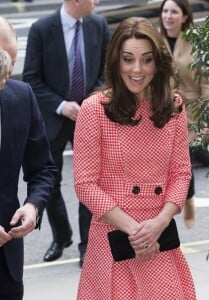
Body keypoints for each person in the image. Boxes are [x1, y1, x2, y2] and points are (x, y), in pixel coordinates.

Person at [73, 16, 196, 299]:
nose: (137, 69)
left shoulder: (173, 105)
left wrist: (158, 223)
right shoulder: (94, 109)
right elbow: (85, 184)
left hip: (159, 235)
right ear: (116, 61)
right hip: (113, 236)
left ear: (158, 62)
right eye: (128, 59)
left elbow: (181, 173)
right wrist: (136, 232)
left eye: (146, 59)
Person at [23, 0, 110, 267]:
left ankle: (87, 245)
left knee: (89, 182)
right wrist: (61, 106)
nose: (97, 1)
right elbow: (31, 78)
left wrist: (89, 102)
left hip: (89, 114)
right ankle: (62, 236)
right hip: (53, 118)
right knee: (47, 181)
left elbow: (106, 73)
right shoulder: (42, 28)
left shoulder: (99, 24)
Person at [0, 16, 56, 300]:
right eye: (1, 63)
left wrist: (33, 206)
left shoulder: (21, 96)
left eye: (12, 62)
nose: (8, 75)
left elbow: (43, 168)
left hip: (6, 265)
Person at [159, 0, 209, 228]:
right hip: (162, 110)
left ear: (184, 16)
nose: (168, 16)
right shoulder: (154, 40)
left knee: (183, 162)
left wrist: (207, 115)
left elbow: (207, 83)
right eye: (165, 11)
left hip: (190, 112)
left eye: (174, 11)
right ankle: (174, 202)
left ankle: (188, 199)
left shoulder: (195, 40)